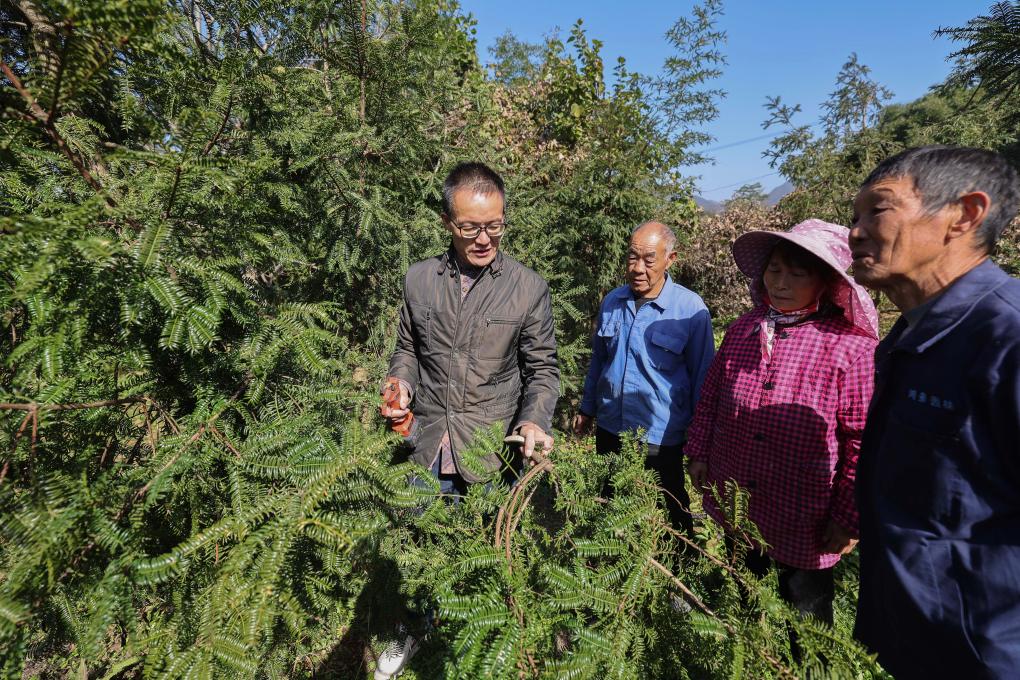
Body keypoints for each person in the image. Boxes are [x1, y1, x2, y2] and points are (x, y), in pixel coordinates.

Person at [376, 162, 560, 679]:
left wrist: (532, 422)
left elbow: (542, 371)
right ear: (446, 222)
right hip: (427, 437)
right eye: (470, 227)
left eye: (495, 226)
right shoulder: (418, 280)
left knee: (485, 543)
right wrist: (401, 385)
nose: (484, 238)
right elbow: (406, 350)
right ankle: (415, 627)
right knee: (418, 538)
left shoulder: (527, 288)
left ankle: (481, 632)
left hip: (489, 444)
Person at [850, 146, 1020, 678]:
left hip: (986, 652)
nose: (854, 232)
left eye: (877, 211)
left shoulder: (1006, 339)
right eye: (853, 218)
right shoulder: (905, 339)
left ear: (964, 214)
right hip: (913, 633)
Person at [685, 219, 878, 634]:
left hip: (805, 515)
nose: (781, 282)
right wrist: (699, 451)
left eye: (797, 272)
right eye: (774, 269)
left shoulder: (850, 348)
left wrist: (848, 517)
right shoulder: (743, 331)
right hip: (740, 497)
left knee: (806, 621)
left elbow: (863, 442)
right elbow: (712, 397)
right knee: (745, 594)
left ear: (826, 281)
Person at [573, 221, 715, 535]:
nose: (638, 268)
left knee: (672, 505)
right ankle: (608, 564)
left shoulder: (690, 310)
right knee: (608, 501)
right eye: (632, 257)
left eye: (648, 260)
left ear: (670, 259)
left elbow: (704, 381)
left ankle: (681, 564)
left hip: (661, 435)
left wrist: (700, 445)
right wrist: (587, 410)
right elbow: (599, 361)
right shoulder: (613, 301)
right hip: (612, 426)